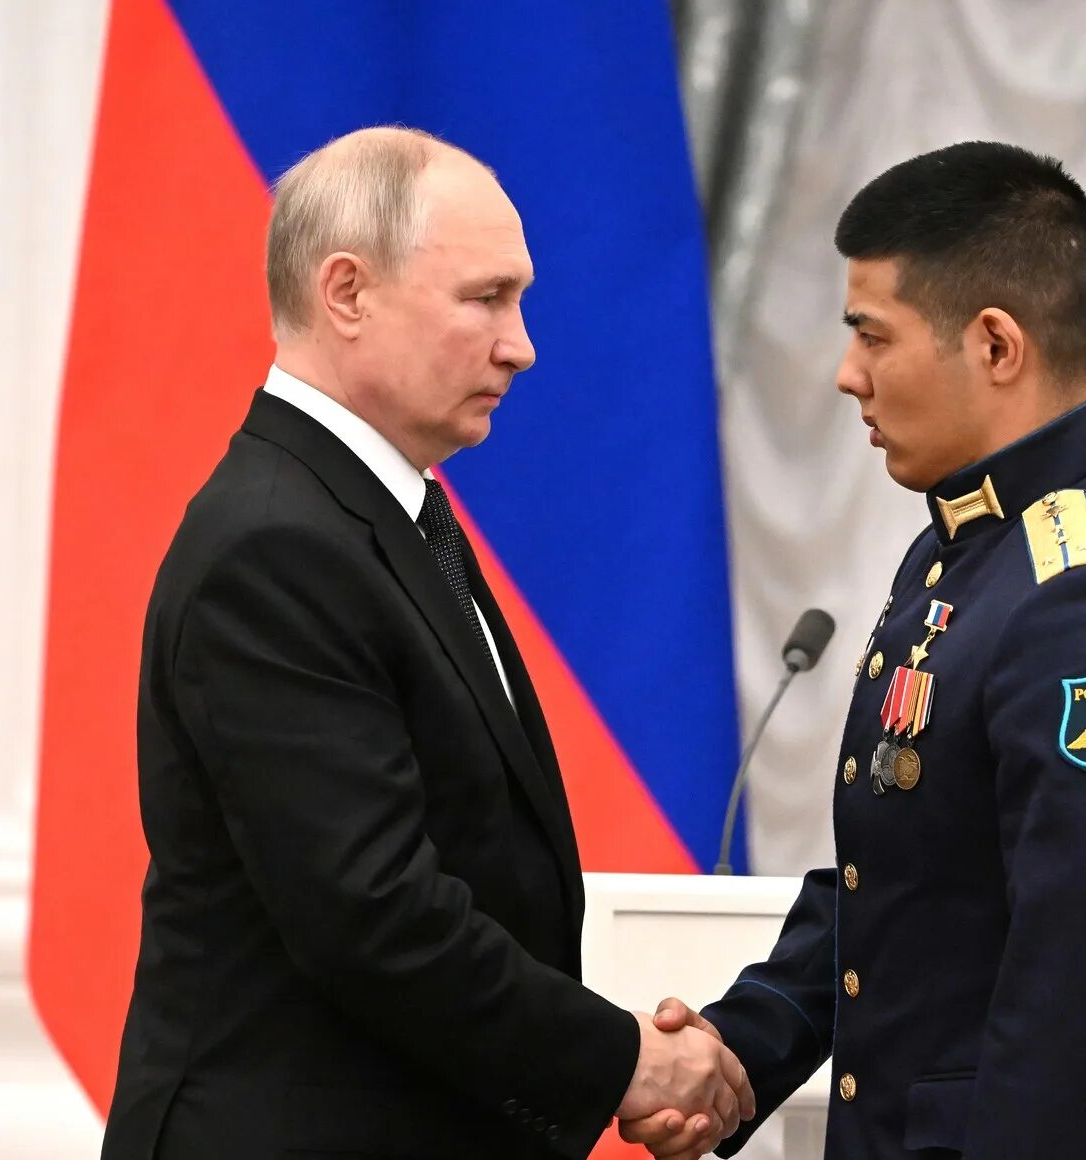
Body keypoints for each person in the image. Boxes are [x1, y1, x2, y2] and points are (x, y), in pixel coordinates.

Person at [100, 126, 752, 1160]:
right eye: (484, 298)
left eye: (520, 299)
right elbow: (372, 914)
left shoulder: (382, 514)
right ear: (347, 293)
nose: (521, 343)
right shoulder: (278, 543)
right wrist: (620, 1059)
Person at [622, 142, 1086, 1158]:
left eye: (870, 334)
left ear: (993, 345)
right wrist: (740, 1048)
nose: (846, 373)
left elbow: (1078, 1002)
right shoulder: (961, 559)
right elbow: (898, 884)